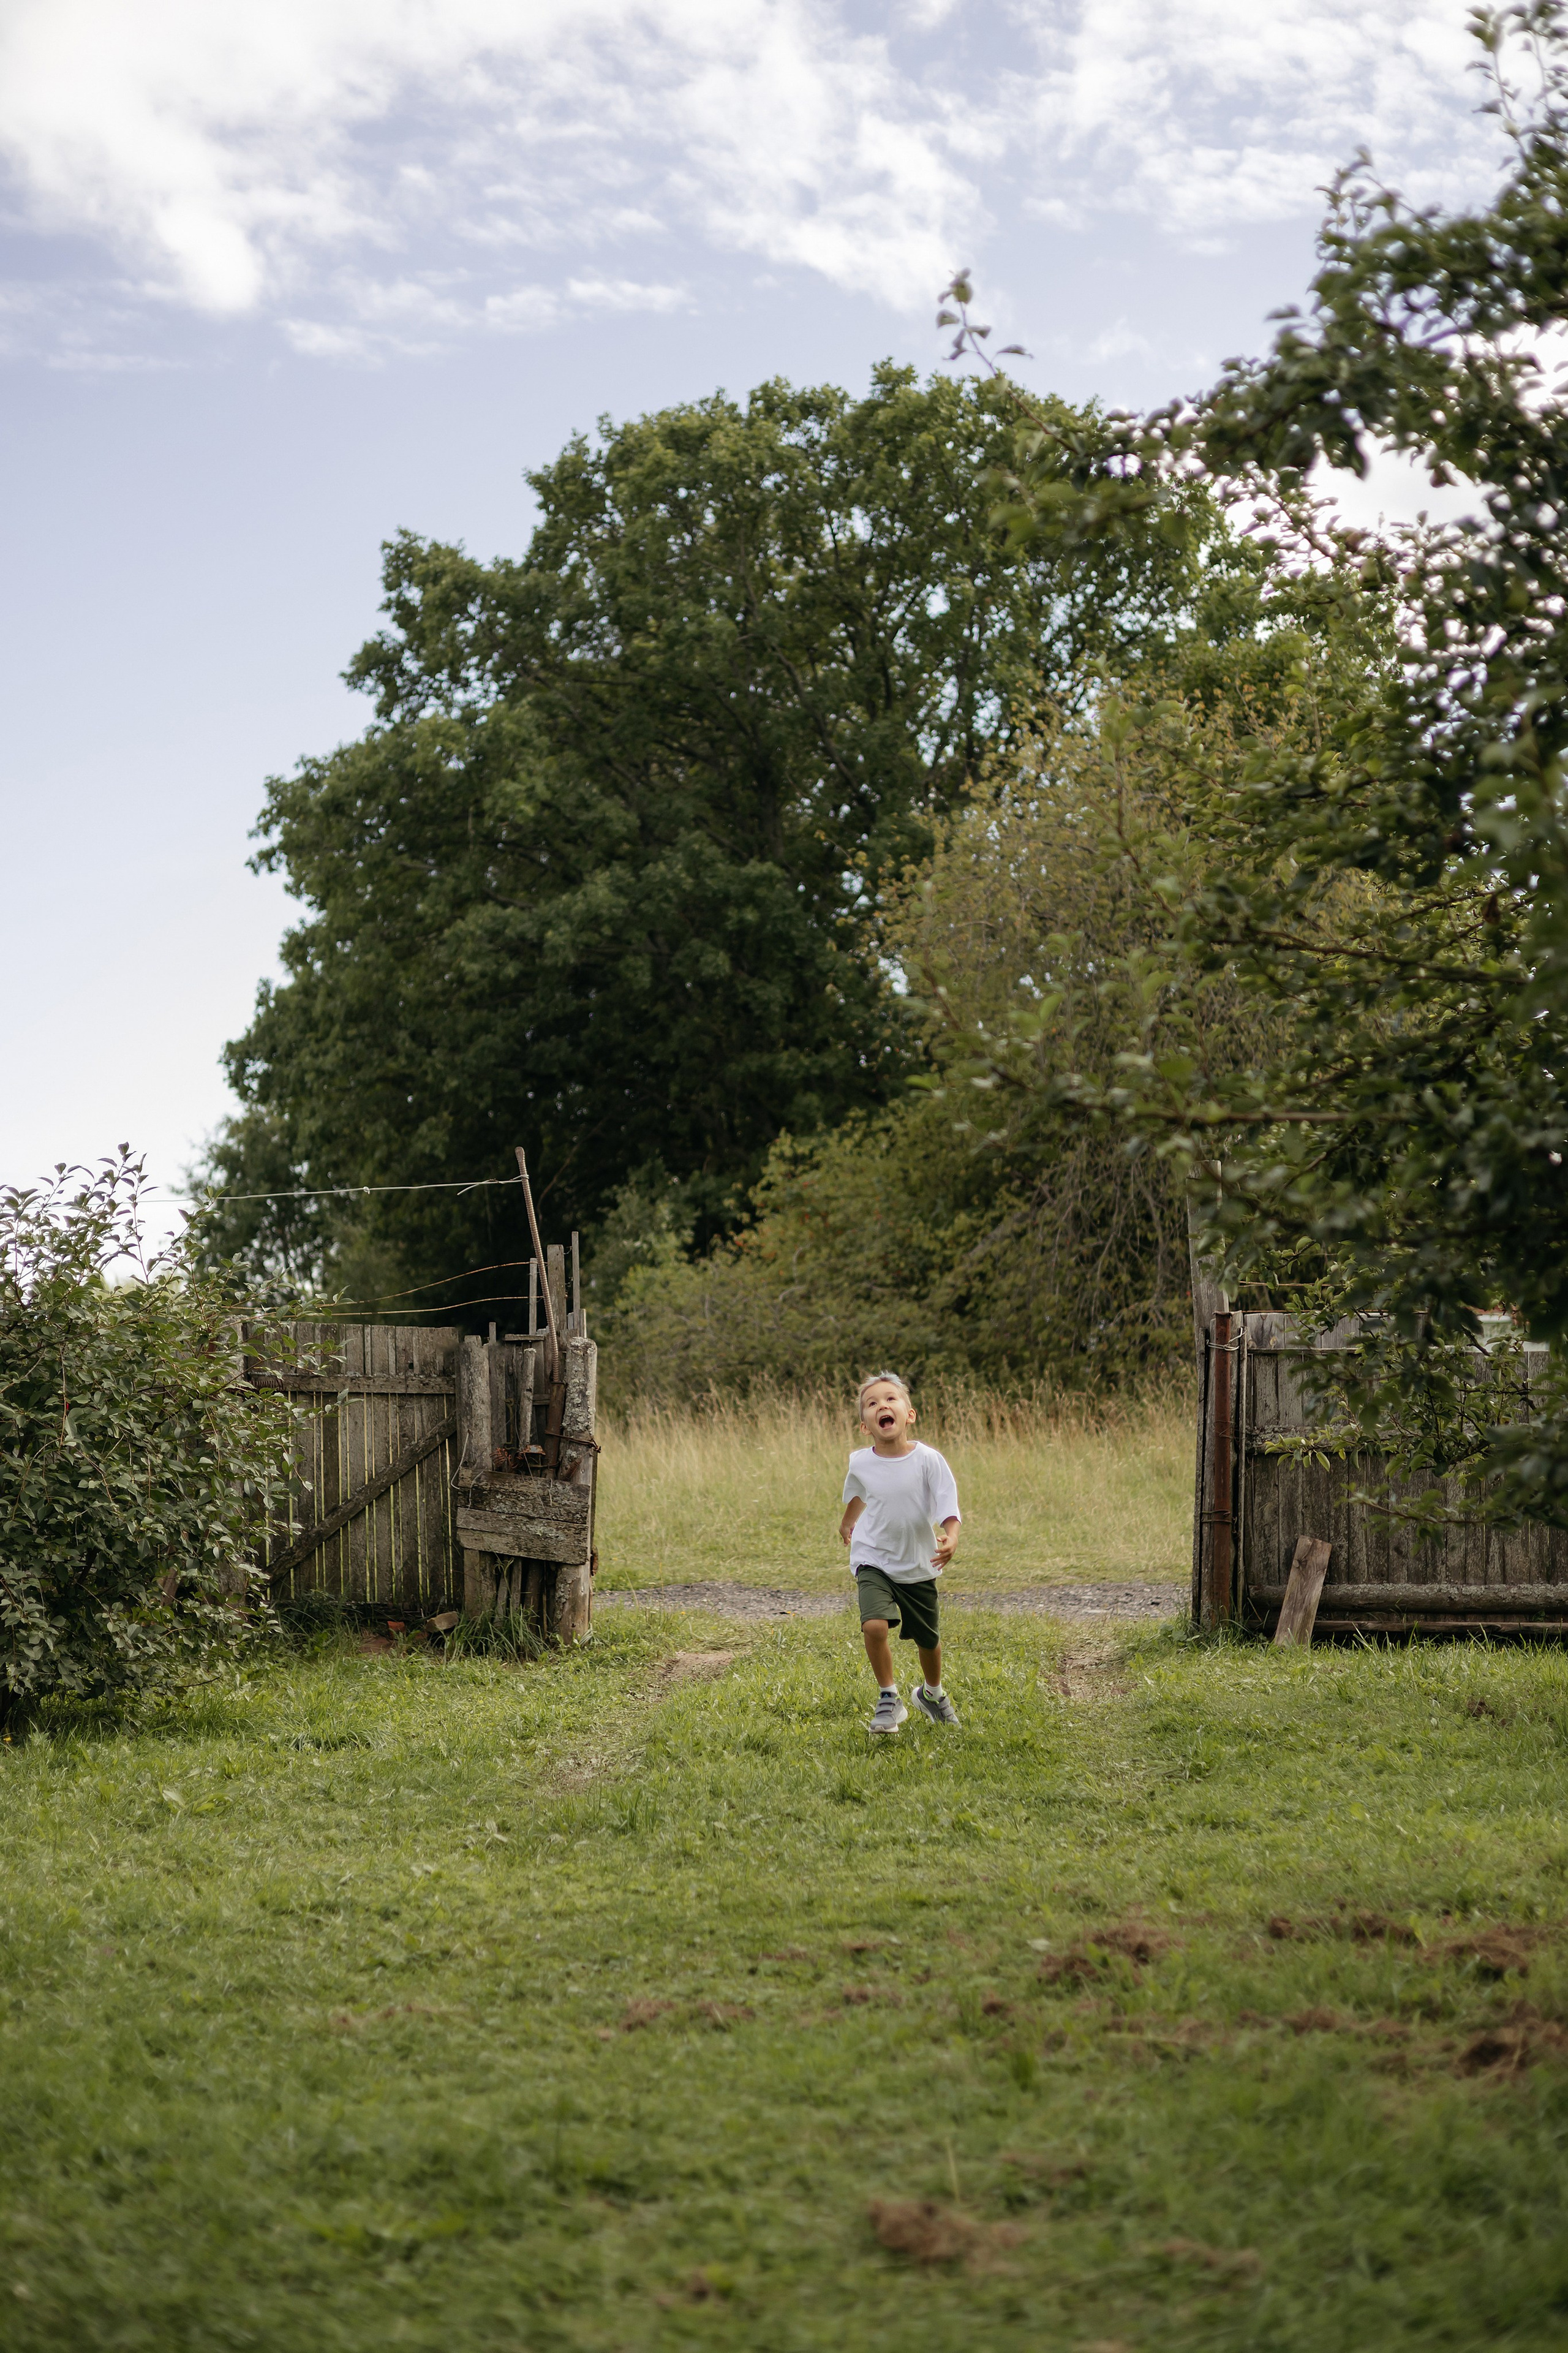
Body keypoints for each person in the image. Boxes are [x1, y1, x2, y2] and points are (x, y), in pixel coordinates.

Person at [839, 1371, 961, 1733]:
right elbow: (859, 1493)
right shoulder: (860, 1462)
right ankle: (889, 1698)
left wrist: (951, 1536)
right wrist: (848, 1523)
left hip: (918, 1563)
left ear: (910, 1414)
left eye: (891, 1399)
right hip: (873, 1557)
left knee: (929, 1640)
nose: (882, 1406)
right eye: (872, 1404)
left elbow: (947, 1503)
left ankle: (932, 1695)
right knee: (874, 1625)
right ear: (865, 1425)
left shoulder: (928, 1460)